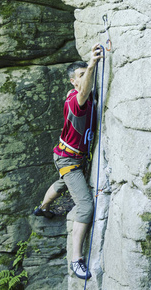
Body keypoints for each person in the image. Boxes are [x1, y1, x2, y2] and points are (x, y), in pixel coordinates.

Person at [33, 43, 103, 280]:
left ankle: (42, 208)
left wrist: (91, 68)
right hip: (69, 158)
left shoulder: (81, 95)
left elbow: (87, 90)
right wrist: (92, 64)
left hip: (66, 155)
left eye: (86, 75)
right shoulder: (76, 101)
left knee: (63, 183)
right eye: (81, 76)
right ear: (73, 82)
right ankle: (76, 260)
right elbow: (83, 93)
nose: (86, 79)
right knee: (85, 206)